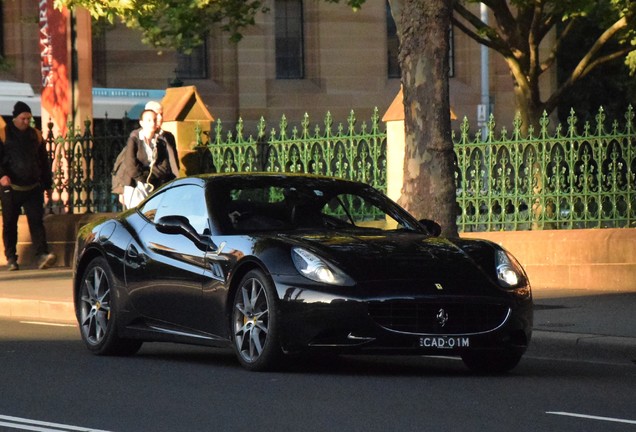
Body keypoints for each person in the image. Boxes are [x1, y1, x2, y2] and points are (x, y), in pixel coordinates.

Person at [0, 101, 57, 271]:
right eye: (23, 118)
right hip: (11, 187)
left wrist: (47, 184)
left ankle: (42, 255)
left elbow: (44, 161)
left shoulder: (36, 135)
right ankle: (11, 257)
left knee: (36, 221)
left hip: (33, 187)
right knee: (10, 223)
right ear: (15, 118)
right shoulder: (4, 134)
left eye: (29, 118)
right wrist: (2, 175)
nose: (26, 122)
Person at [121, 109, 175, 208]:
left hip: (155, 185)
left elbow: (164, 166)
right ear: (141, 123)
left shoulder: (160, 142)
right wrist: (143, 178)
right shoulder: (134, 140)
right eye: (149, 120)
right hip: (136, 185)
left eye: (154, 120)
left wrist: (151, 177)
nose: (152, 123)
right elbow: (130, 164)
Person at [144, 100, 180, 178]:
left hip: (170, 180)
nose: (160, 118)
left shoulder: (168, 136)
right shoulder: (141, 136)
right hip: (151, 182)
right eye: (157, 114)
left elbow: (174, 161)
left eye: (161, 114)